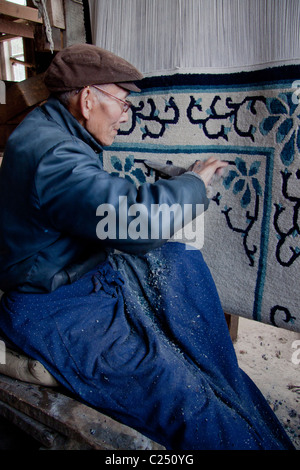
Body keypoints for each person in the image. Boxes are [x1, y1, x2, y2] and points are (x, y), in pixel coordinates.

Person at [0, 44, 295, 450]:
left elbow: (99, 202)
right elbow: (130, 221)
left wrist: (177, 185)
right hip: (56, 307)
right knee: (184, 397)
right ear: (88, 99)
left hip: (83, 277)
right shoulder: (54, 155)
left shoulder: (52, 130)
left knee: (180, 266)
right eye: (122, 103)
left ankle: (228, 390)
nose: (126, 115)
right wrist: (194, 186)